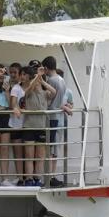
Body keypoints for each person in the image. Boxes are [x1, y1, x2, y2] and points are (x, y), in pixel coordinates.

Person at [20, 64, 56, 187]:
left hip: (41, 127)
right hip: (29, 126)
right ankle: (29, 179)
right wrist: (37, 78)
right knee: (29, 155)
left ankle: (37, 178)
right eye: (34, 79)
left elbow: (54, 91)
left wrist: (42, 80)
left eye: (37, 80)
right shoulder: (29, 93)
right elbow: (27, 90)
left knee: (40, 156)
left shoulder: (45, 93)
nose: (36, 82)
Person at [41, 56, 68, 187]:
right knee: (54, 148)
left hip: (51, 116)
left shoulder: (51, 80)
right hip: (58, 116)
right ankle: (52, 175)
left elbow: (48, 97)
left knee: (50, 148)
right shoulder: (61, 80)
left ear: (45, 68)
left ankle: (49, 176)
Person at [8, 64, 27, 185]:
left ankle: (29, 177)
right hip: (15, 124)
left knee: (29, 153)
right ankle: (20, 178)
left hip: (28, 124)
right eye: (11, 72)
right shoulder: (14, 87)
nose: (13, 75)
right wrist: (15, 108)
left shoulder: (30, 86)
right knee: (18, 152)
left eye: (15, 72)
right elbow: (13, 103)